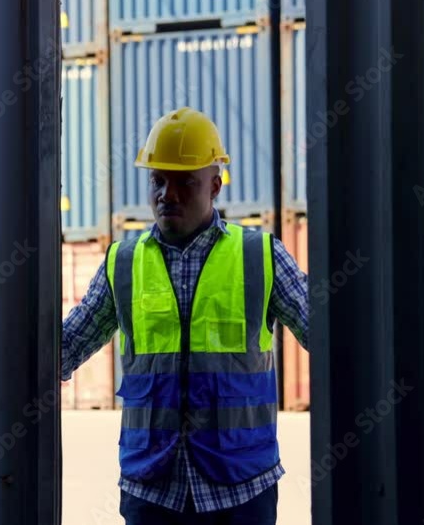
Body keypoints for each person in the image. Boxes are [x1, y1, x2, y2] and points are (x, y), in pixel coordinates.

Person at [61, 107, 310, 524]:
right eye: (158, 181)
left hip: (241, 488)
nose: (167, 195)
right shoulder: (122, 263)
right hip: (153, 488)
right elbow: (64, 348)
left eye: (184, 183)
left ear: (214, 186)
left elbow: (334, 335)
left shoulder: (260, 256)